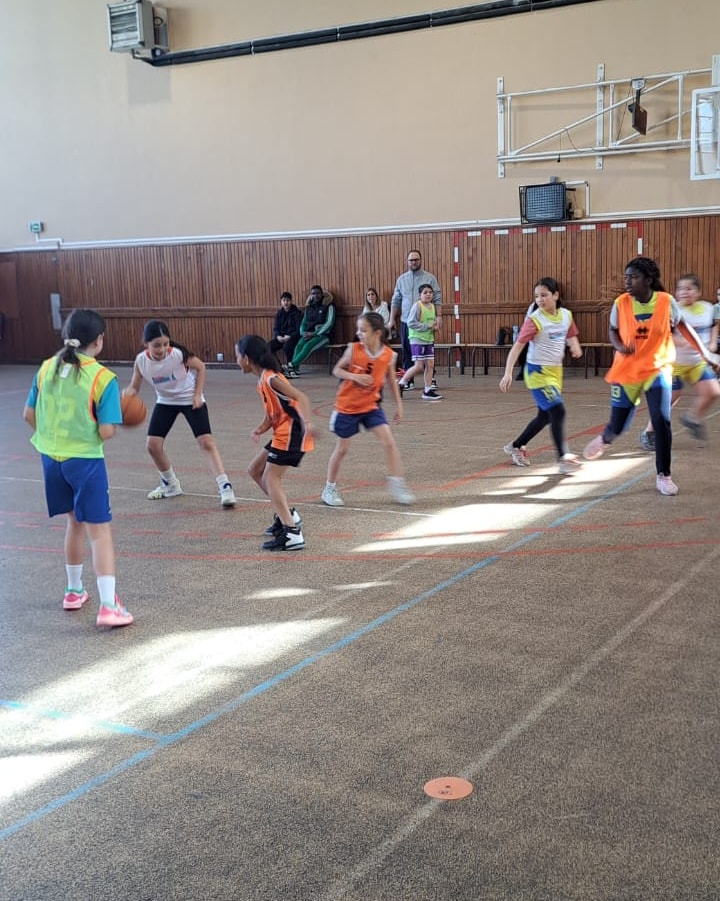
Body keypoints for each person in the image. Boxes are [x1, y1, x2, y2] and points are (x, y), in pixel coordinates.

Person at [22, 309, 133, 628]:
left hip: (50, 458)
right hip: (84, 460)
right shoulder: (102, 377)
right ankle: (109, 605)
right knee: (100, 532)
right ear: (99, 341)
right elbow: (106, 431)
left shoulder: (46, 369)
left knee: (73, 522)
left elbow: (28, 415)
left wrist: (52, 438)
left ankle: (73, 590)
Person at [582, 257, 720, 495]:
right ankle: (604, 439)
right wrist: (619, 346)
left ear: (648, 280)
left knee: (661, 420)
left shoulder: (666, 302)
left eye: (633, 277)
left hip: (658, 368)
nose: (627, 281)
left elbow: (684, 328)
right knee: (618, 424)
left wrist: (705, 352)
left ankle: (663, 475)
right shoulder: (621, 303)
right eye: (625, 277)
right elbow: (613, 330)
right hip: (627, 370)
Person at [124, 320, 237, 507]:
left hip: (188, 398)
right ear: (146, 344)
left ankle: (225, 486)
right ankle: (170, 484)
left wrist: (197, 394)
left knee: (206, 442)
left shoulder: (177, 355)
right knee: (152, 445)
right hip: (166, 401)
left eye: (166, 344)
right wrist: (124, 397)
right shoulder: (141, 361)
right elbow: (133, 388)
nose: (162, 349)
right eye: (157, 345)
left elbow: (200, 367)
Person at [321, 311, 414, 508]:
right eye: (358, 330)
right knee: (342, 448)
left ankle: (398, 484)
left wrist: (399, 404)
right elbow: (337, 370)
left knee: (389, 442)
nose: (359, 334)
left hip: (370, 405)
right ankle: (329, 488)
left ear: (377, 333)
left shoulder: (388, 355)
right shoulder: (353, 350)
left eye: (364, 330)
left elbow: (390, 379)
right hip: (347, 406)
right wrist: (355, 377)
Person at [235, 334, 315, 551]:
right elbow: (273, 413)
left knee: (271, 478)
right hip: (282, 431)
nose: (236, 361)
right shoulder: (262, 380)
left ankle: (292, 534)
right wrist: (260, 429)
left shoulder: (271, 378)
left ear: (246, 358)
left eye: (237, 356)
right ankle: (288, 514)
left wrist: (308, 423)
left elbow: (302, 397)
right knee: (255, 469)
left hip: (292, 433)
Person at [499, 278, 583, 474]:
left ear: (555, 295)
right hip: (537, 373)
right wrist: (508, 372)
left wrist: (575, 345)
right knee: (558, 411)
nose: (540, 300)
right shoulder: (535, 319)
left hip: (555, 372)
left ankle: (516, 446)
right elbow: (518, 346)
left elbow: (569, 333)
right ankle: (563, 457)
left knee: (545, 416)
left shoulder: (565, 315)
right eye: (537, 296)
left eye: (544, 295)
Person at [638, 274, 720, 448]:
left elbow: (714, 325)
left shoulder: (707, 308)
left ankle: (691, 418)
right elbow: (661, 334)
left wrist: (712, 341)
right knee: (668, 400)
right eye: (681, 288)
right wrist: (684, 341)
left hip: (697, 362)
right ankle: (648, 432)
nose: (684, 292)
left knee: (713, 391)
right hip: (673, 363)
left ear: (698, 292)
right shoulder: (670, 309)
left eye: (689, 288)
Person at [389, 250, 442, 389]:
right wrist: (391, 319)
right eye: (411, 260)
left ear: (421, 260)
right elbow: (396, 300)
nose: (414, 262)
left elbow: (437, 298)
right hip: (406, 320)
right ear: (407, 262)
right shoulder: (401, 279)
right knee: (407, 350)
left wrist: (439, 317)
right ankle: (408, 379)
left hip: (426, 322)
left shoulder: (429, 278)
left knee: (428, 350)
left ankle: (431, 379)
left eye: (416, 259)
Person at [397, 284, 443, 400]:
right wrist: (426, 325)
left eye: (430, 292)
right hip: (417, 339)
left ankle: (427, 391)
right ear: (420, 295)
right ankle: (401, 383)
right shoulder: (417, 306)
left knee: (430, 365)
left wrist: (434, 327)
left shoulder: (432, 307)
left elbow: (431, 323)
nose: (428, 294)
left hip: (428, 339)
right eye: (425, 292)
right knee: (418, 366)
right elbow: (410, 323)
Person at [288, 285, 335, 376]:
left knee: (308, 346)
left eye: (318, 293)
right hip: (308, 334)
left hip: (324, 336)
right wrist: (303, 333)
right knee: (299, 345)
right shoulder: (309, 307)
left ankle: (292, 365)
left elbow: (329, 323)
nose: (315, 295)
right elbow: (303, 323)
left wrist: (314, 333)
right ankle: (294, 370)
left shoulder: (329, 306)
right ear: (310, 295)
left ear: (322, 294)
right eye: (313, 293)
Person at [268, 291, 302, 373]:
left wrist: (290, 336)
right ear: (281, 302)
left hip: (292, 337)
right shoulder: (279, 313)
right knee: (268, 347)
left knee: (287, 347)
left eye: (287, 300)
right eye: (284, 300)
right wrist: (277, 336)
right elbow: (276, 328)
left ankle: (291, 368)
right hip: (281, 338)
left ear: (291, 301)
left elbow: (299, 330)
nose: (285, 302)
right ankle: (278, 367)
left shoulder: (297, 313)